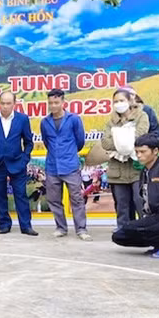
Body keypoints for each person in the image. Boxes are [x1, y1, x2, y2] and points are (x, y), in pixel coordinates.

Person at [111, 134, 159, 257]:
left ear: (155, 151)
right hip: (154, 217)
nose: (139, 155)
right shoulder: (145, 171)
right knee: (119, 236)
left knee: (131, 227)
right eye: (136, 152)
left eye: (143, 151)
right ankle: (158, 244)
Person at [0, 92, 37, 236]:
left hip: (17, 164)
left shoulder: (23, 119)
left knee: (21, 195)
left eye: (8, 103)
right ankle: (4, 224)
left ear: (14, 104)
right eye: (3, 103)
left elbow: (29, 142)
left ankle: (26, 226)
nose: (5, 106)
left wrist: (25, 158)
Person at [41, 89, 91, 241]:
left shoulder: (74, 119)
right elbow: (46, 141)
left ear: (63, 103)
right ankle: (61, 227)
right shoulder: (45, 122)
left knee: (76, 199)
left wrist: (68, 153)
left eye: (56, 102)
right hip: (52, 167)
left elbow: (80, 141)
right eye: (50, 103)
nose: (53, 106)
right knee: (54, 199)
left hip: (70, 166)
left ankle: (81, 229)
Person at [101, 88, 149, 228]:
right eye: (115, 101)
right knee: (122, 205)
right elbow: (106, 142)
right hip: (117, 170)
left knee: (140, 201)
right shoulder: (111, 121)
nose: (118, 104)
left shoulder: (141, 116)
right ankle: (124, 232)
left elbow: (141, 136)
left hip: (136, 168)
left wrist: (118, 139)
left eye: (121, 100)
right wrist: (126, 140)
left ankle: (144, 230)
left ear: (129, 101)